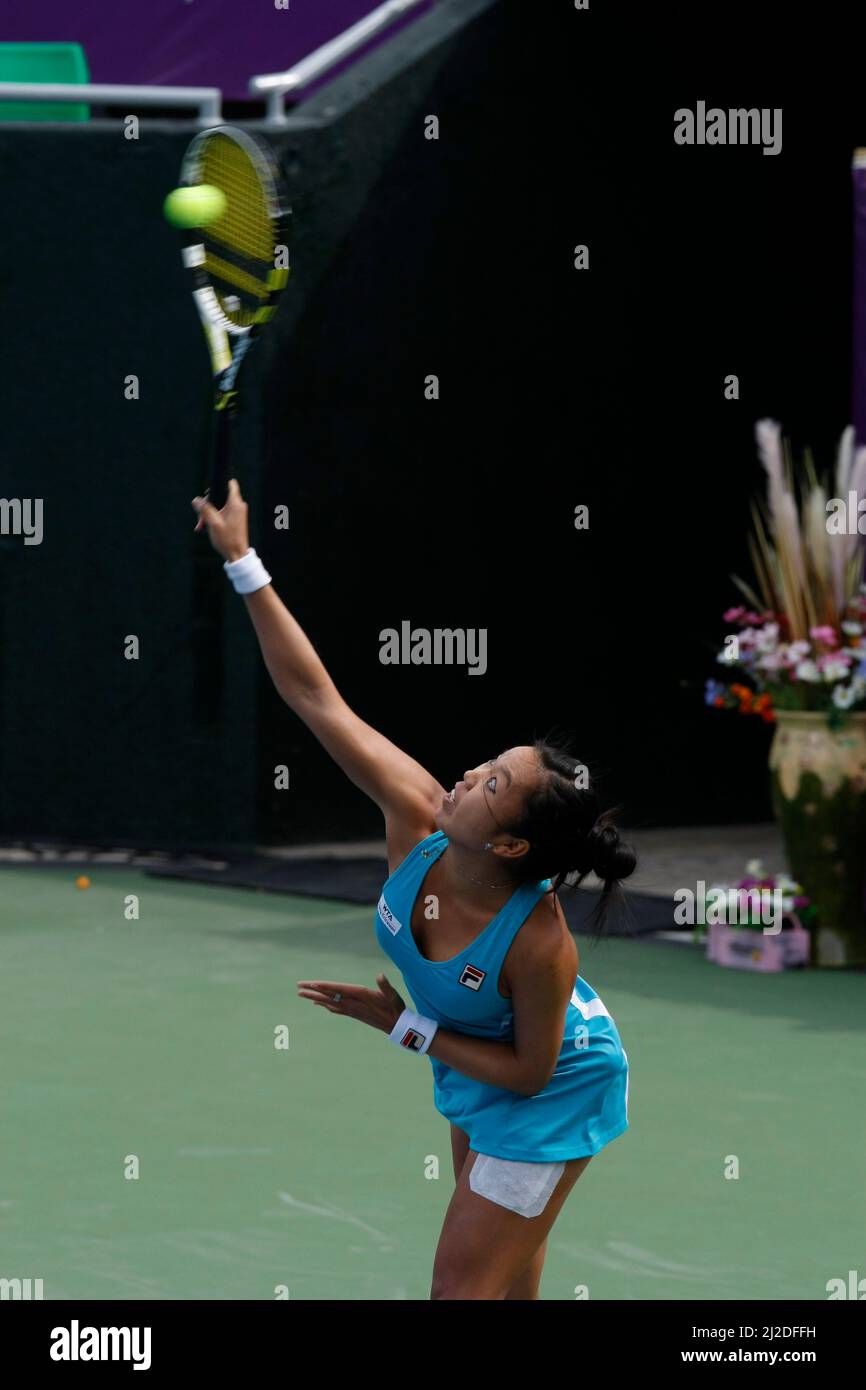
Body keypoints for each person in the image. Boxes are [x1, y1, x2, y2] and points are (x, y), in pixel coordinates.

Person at [192, 479, 636, 1300]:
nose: (466, 775)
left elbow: (532, 1074)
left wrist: (405, 1028)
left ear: (507, 842)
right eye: (486, 763)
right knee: (503, 1284)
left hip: (551, 1093)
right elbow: (315, 698)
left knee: (460, 1293)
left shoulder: (539, 943)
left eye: (491, 783)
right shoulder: (415, 812)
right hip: (477, 1065)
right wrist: (242, 559)